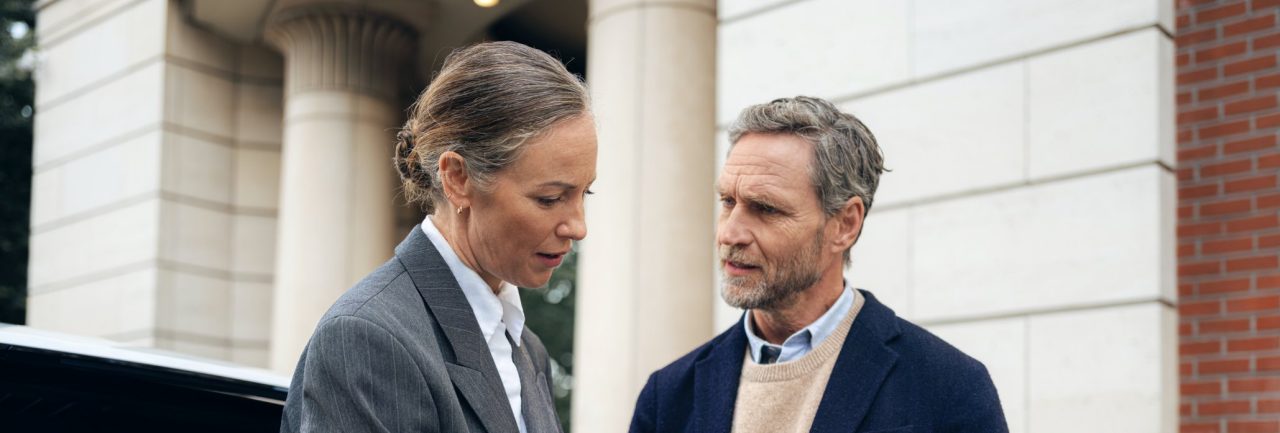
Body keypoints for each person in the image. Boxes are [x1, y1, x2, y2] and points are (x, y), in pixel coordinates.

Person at [628, 96, 1008, 433]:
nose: (730, 233)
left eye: (766, 208)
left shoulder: (948, 388)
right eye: (728, 202)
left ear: (844, 224)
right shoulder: (668, 398)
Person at [280, 41, 595, 433]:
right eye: (550, 198)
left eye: (585, 193)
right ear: (457, 178)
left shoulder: (527, 349)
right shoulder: (367, 337)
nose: (578, 227)